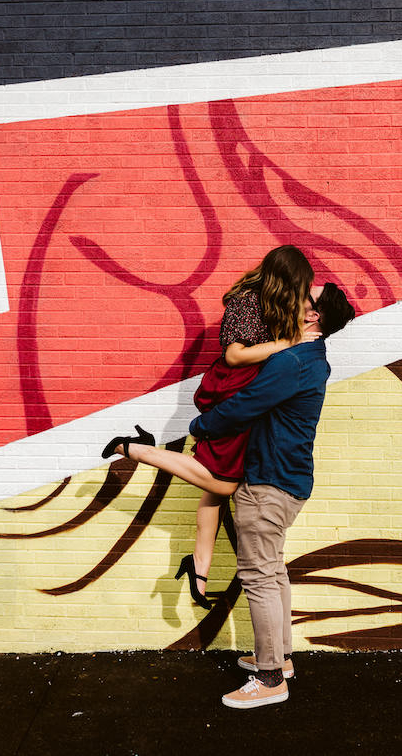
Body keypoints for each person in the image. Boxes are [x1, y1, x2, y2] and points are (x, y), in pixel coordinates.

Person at [102, 245, 316, 607]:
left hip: (252, 396)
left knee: (216, 488)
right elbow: (234, 355)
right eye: (301, 286)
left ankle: (199, 569)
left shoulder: (282, 302)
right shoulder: (248, 301)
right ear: (286, 280)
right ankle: (134, 448)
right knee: (223, 480)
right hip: (233, 392)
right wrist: (289, 342)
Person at [195, 282, 355, 708]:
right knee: (273, 571)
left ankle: (269, 680)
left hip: (268, 483)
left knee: (259, 577)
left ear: (314, 316)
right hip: (289, 480)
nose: (298, 296)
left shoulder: (293, 361)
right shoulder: (309, 358)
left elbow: (246, 404)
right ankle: (279, 660)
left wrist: (202, 426)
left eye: (307, 296)